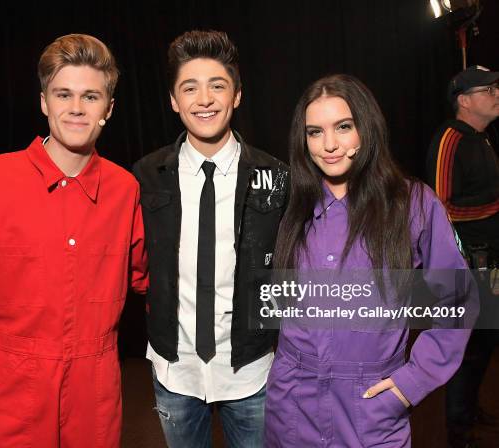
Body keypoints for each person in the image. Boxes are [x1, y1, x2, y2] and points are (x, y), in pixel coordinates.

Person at [0, 34, 148, 447]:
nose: (76, 108)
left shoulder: (125, 189)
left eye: (91, 96)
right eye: (63, 94)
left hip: (93, 394)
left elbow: (151, 282)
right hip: (9, 393)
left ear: (108, 110)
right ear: (44, 102)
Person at [264, 74, 475, 447]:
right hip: (293, 405)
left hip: (371, 406)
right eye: (315, 132)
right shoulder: (291, 204)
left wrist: (412, 382)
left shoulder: (414, 204)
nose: (329, 145)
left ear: (367, 127)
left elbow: (459, 299)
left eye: (343, 127)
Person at [133, 30, 288, 447]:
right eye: (190, 88)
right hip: (174, 368)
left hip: (253, 369)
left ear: (236, 95)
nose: (204, 99)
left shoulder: (275, 176)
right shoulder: (145, 176)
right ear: (173, 101)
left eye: (217, 86)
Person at [426, 65, 499, 448]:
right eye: (488, 89)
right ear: (464, 100)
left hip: (490, 265)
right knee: (466, 348)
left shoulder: (483, 139)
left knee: (487, 340)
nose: (496, 93)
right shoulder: (451, 137)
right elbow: (439, 206)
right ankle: (457, 430)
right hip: (466, 267)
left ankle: (469, 410)